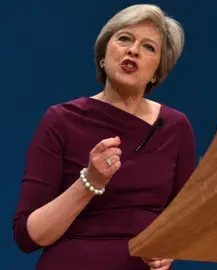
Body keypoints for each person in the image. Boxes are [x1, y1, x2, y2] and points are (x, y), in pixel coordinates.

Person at [12, 4, 196, 270]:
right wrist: (90, 182)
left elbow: (184, 221)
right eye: (124, 39)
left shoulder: (176, 127)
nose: (133, 50)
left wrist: (169, 249)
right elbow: (28, 236)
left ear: (157, 70)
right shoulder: (61, 120)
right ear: (103, 54)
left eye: (148, 47)